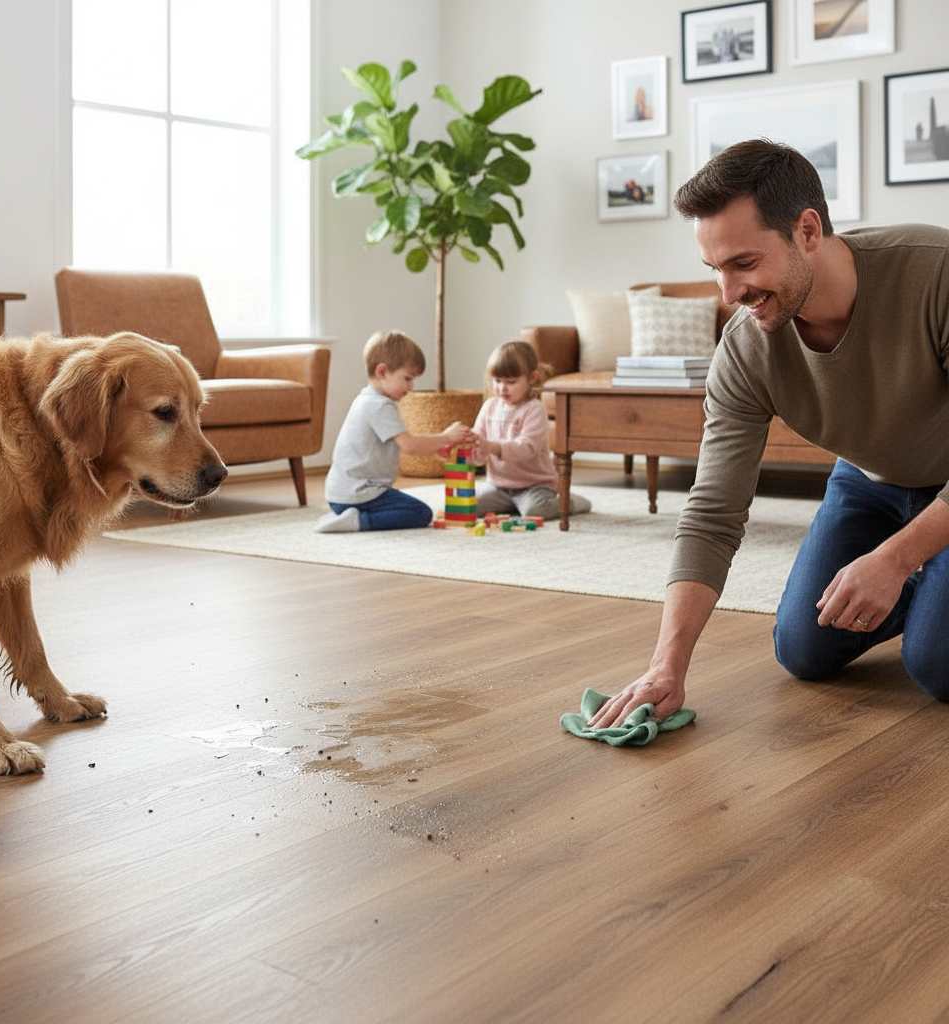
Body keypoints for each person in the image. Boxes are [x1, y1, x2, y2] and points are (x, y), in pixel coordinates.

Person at [589, 138, 949, 730]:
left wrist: (894, 557)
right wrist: (666, 666)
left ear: (808, 230)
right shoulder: (746, 349)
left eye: (744, 264)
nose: (729, 295)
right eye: (715, 270)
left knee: (939, 666)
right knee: (803, 651)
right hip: (869, 479)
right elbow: (712, 512)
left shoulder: (934, 272)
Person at [316, 330, 471, 533]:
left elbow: (397, 443)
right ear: (382, 372)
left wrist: (435, 446)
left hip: (340, 496)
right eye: (407, 378)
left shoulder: (366, 399)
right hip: (361, 494)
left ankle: (347, 515)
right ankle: (359, 521)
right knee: (420, 513)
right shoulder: (380, 405)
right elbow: (409, 445)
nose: (411, 387)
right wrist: (446, 437)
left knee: (404, 505)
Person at [469, 340, 592, 522]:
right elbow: (479, 445)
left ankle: (570, 501)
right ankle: (513, 505)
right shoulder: (490, 406)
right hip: (499, 486)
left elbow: (526, 448)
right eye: (497, 381)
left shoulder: (534, 409)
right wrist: (466, 450)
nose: (502, 388)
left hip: (534, 485)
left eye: (511, 382)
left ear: (532, 378)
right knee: (469, 505)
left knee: (535, 511)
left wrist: (492, 447)